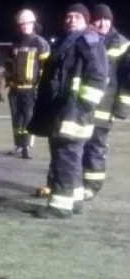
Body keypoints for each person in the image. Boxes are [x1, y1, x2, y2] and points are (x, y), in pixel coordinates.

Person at [27, 3, 108, 218]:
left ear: (86, 21)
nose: (71, 20)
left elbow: (98, 76)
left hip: (72, 112)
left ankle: (60, 207)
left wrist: (82, 106)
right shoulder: (70, 41)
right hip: (64, 110)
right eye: (68, 16)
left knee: (65, 156)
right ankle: (75, 200)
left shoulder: (88, 41)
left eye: (77, 17)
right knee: (69, 156)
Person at [79, 4, 130, 200]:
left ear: (112, 20)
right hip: (82, 105)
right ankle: (72, 183)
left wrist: (122, 106)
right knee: (76, 144)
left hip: (104, 107)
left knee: (95, 146)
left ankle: (91, 186)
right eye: (98, 19)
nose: (102, 23)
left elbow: (127, 79)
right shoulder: (85, 39)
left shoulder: (122, 44)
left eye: (106, 19)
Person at [0, 9, 51, 159]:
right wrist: (2, 86)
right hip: (15, 89)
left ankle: (27, 147)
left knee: (28, 119)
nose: (24, 26)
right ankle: (18, 145)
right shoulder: (15, 44)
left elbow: (46, 68)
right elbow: (8, 67)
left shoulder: (40, 43)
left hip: (30, 89)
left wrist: (40, 87)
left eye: (27, 23)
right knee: (17, 119)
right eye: (21, 24)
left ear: (33, 24)